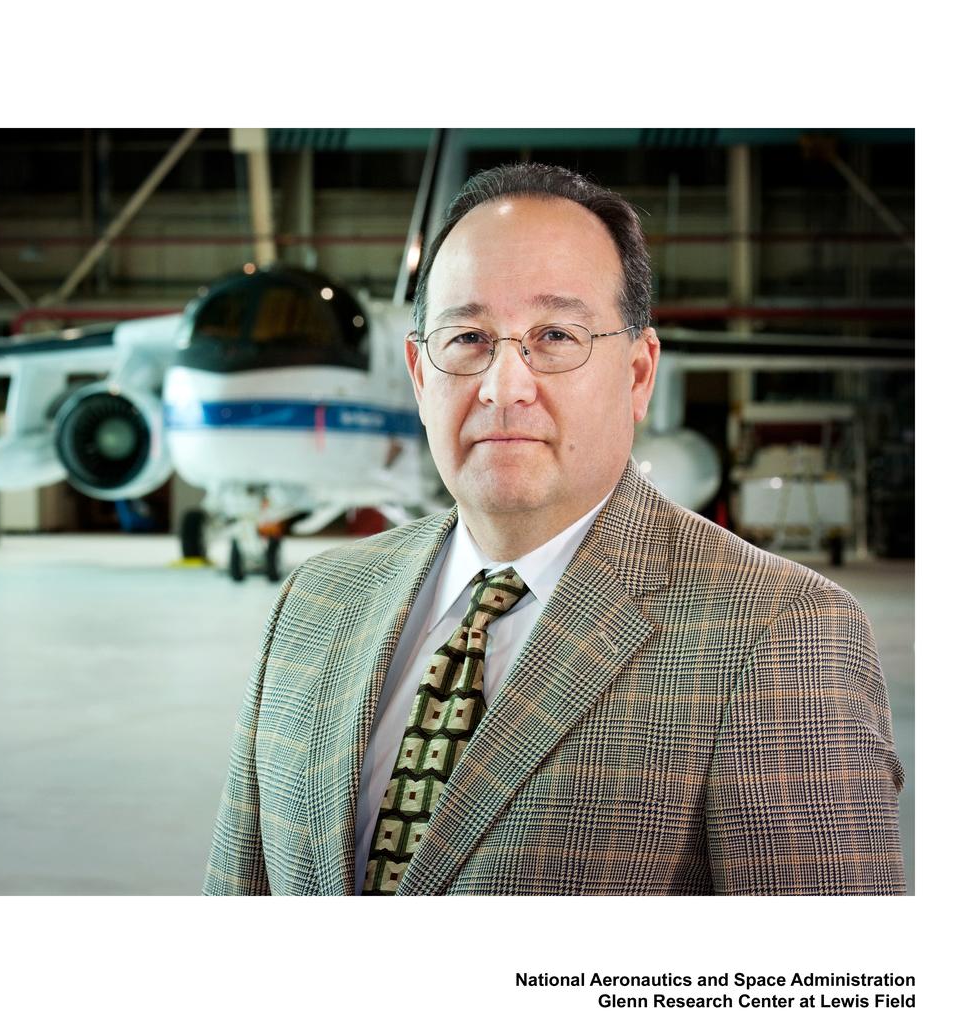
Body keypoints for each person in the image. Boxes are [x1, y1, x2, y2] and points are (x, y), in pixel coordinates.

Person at [202, 163, 905, 896]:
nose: (505, 386)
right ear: (419, 374)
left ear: (638, 375)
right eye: (468, 337)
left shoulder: (783, 633)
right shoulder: (314, 604)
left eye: (557, 335)